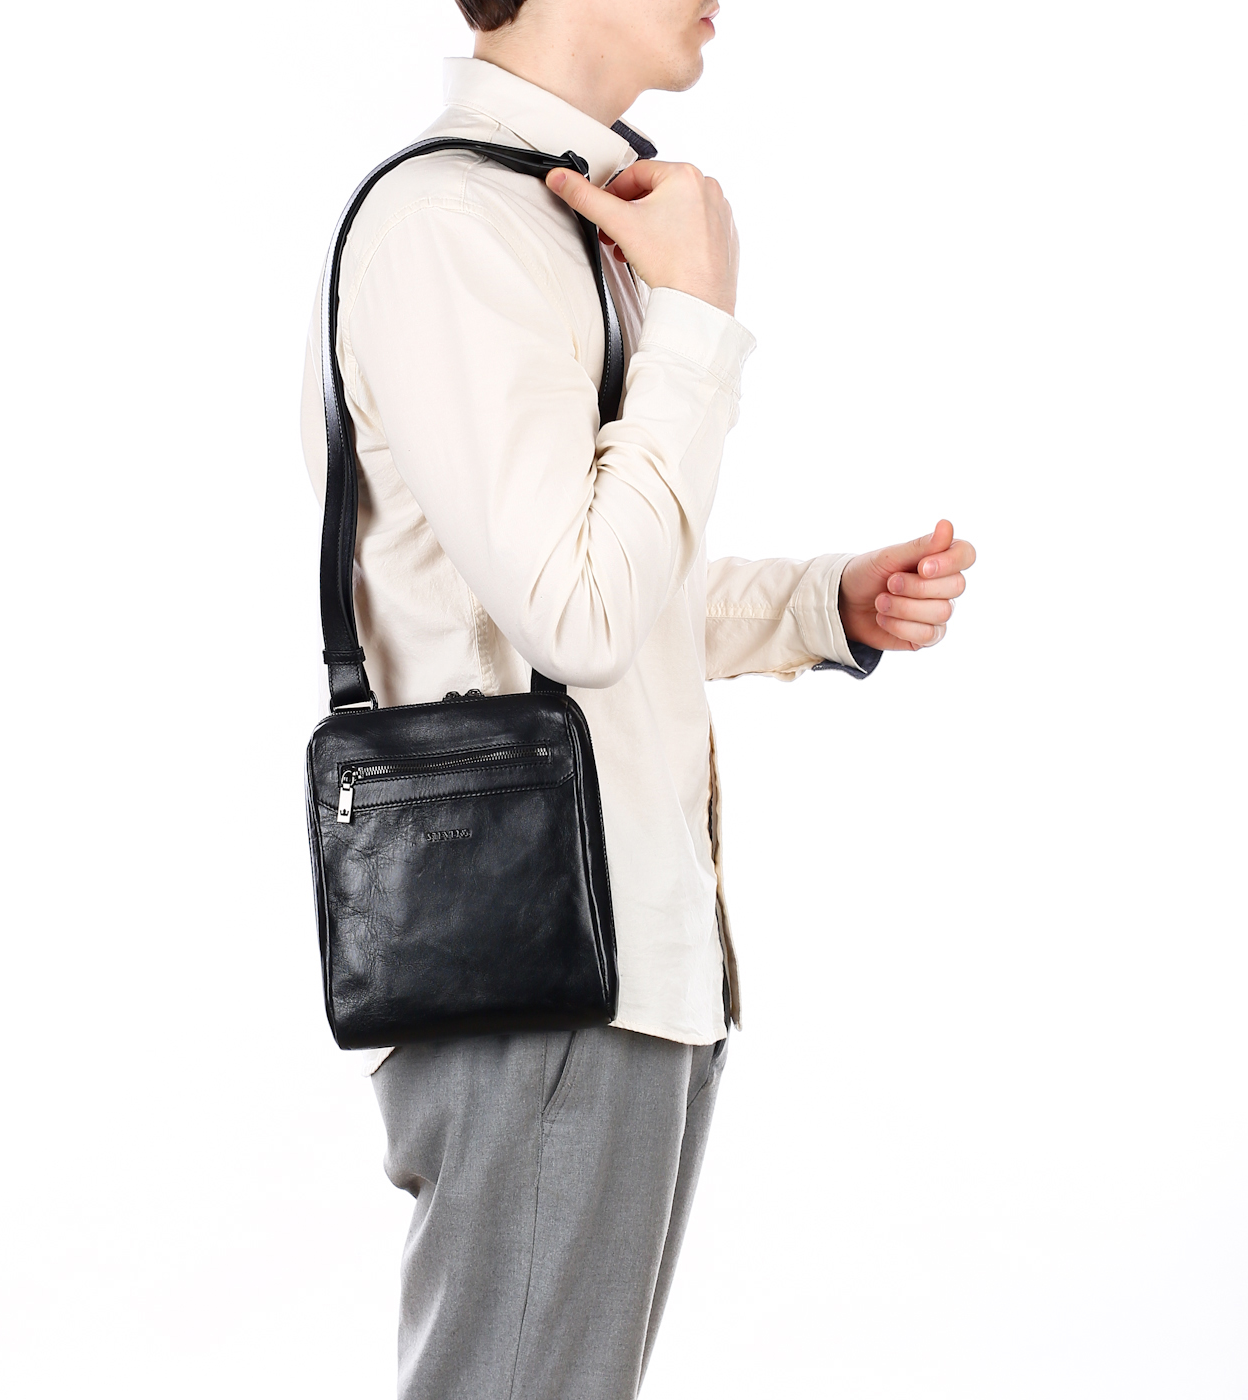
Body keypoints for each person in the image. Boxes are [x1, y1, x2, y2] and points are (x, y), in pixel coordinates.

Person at [299, 1, 976, 1395]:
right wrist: (697, 324)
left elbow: (593, 586)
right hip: (537, 954)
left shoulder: (560, 216)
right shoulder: (452, 228)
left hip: (622, 950)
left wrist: (821, 604)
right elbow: (579, 610)